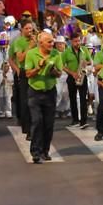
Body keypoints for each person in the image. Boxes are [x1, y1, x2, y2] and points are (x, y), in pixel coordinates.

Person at [26, 31, 64, 164]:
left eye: (52, 41)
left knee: (48, 123)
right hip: (34, 92)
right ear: (40, 43)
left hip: (50, 92)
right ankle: (35, 152)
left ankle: (45, 151)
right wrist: (39, 67)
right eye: (49, 42)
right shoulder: (31, 54)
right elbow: (28, 74)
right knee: (37, 121)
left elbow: (59, 74)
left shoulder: (56, 54)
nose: (52, 44)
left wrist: (53, 70)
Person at [8, 20, 36, 138]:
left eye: (31, 28)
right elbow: (19, 58)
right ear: (22, 30)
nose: (30, 31)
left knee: (35, 100)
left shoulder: (35, 40)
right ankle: (27, 127)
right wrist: (30, 46)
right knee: (25, 100)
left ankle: (35, 126)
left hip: (36, 71)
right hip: (24, 71)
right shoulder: (19, 42)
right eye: (27, 29)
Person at [63, 31, 92, 130]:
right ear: (71, 41)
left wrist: (85, 63)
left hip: (82, 76)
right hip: (72, 77)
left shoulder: (84, 50)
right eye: (75, 41)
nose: (78, 43)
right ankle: (75, 119)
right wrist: (72, 73)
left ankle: (83, 121)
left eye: (79, 41)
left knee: (84, 98)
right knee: (73, 99)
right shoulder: (66, 52)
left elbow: (90, 61)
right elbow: (62, 65)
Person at [53, 36, 70, 117]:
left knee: (65, 94)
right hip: (58, 76)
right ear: (55, 45)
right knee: (58, 93)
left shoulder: (67, 53)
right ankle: (54, 110)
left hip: (66, 76)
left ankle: (63, 110)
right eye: (58, 44)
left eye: (62, 44)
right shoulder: (53, 53)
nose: (60, 45)